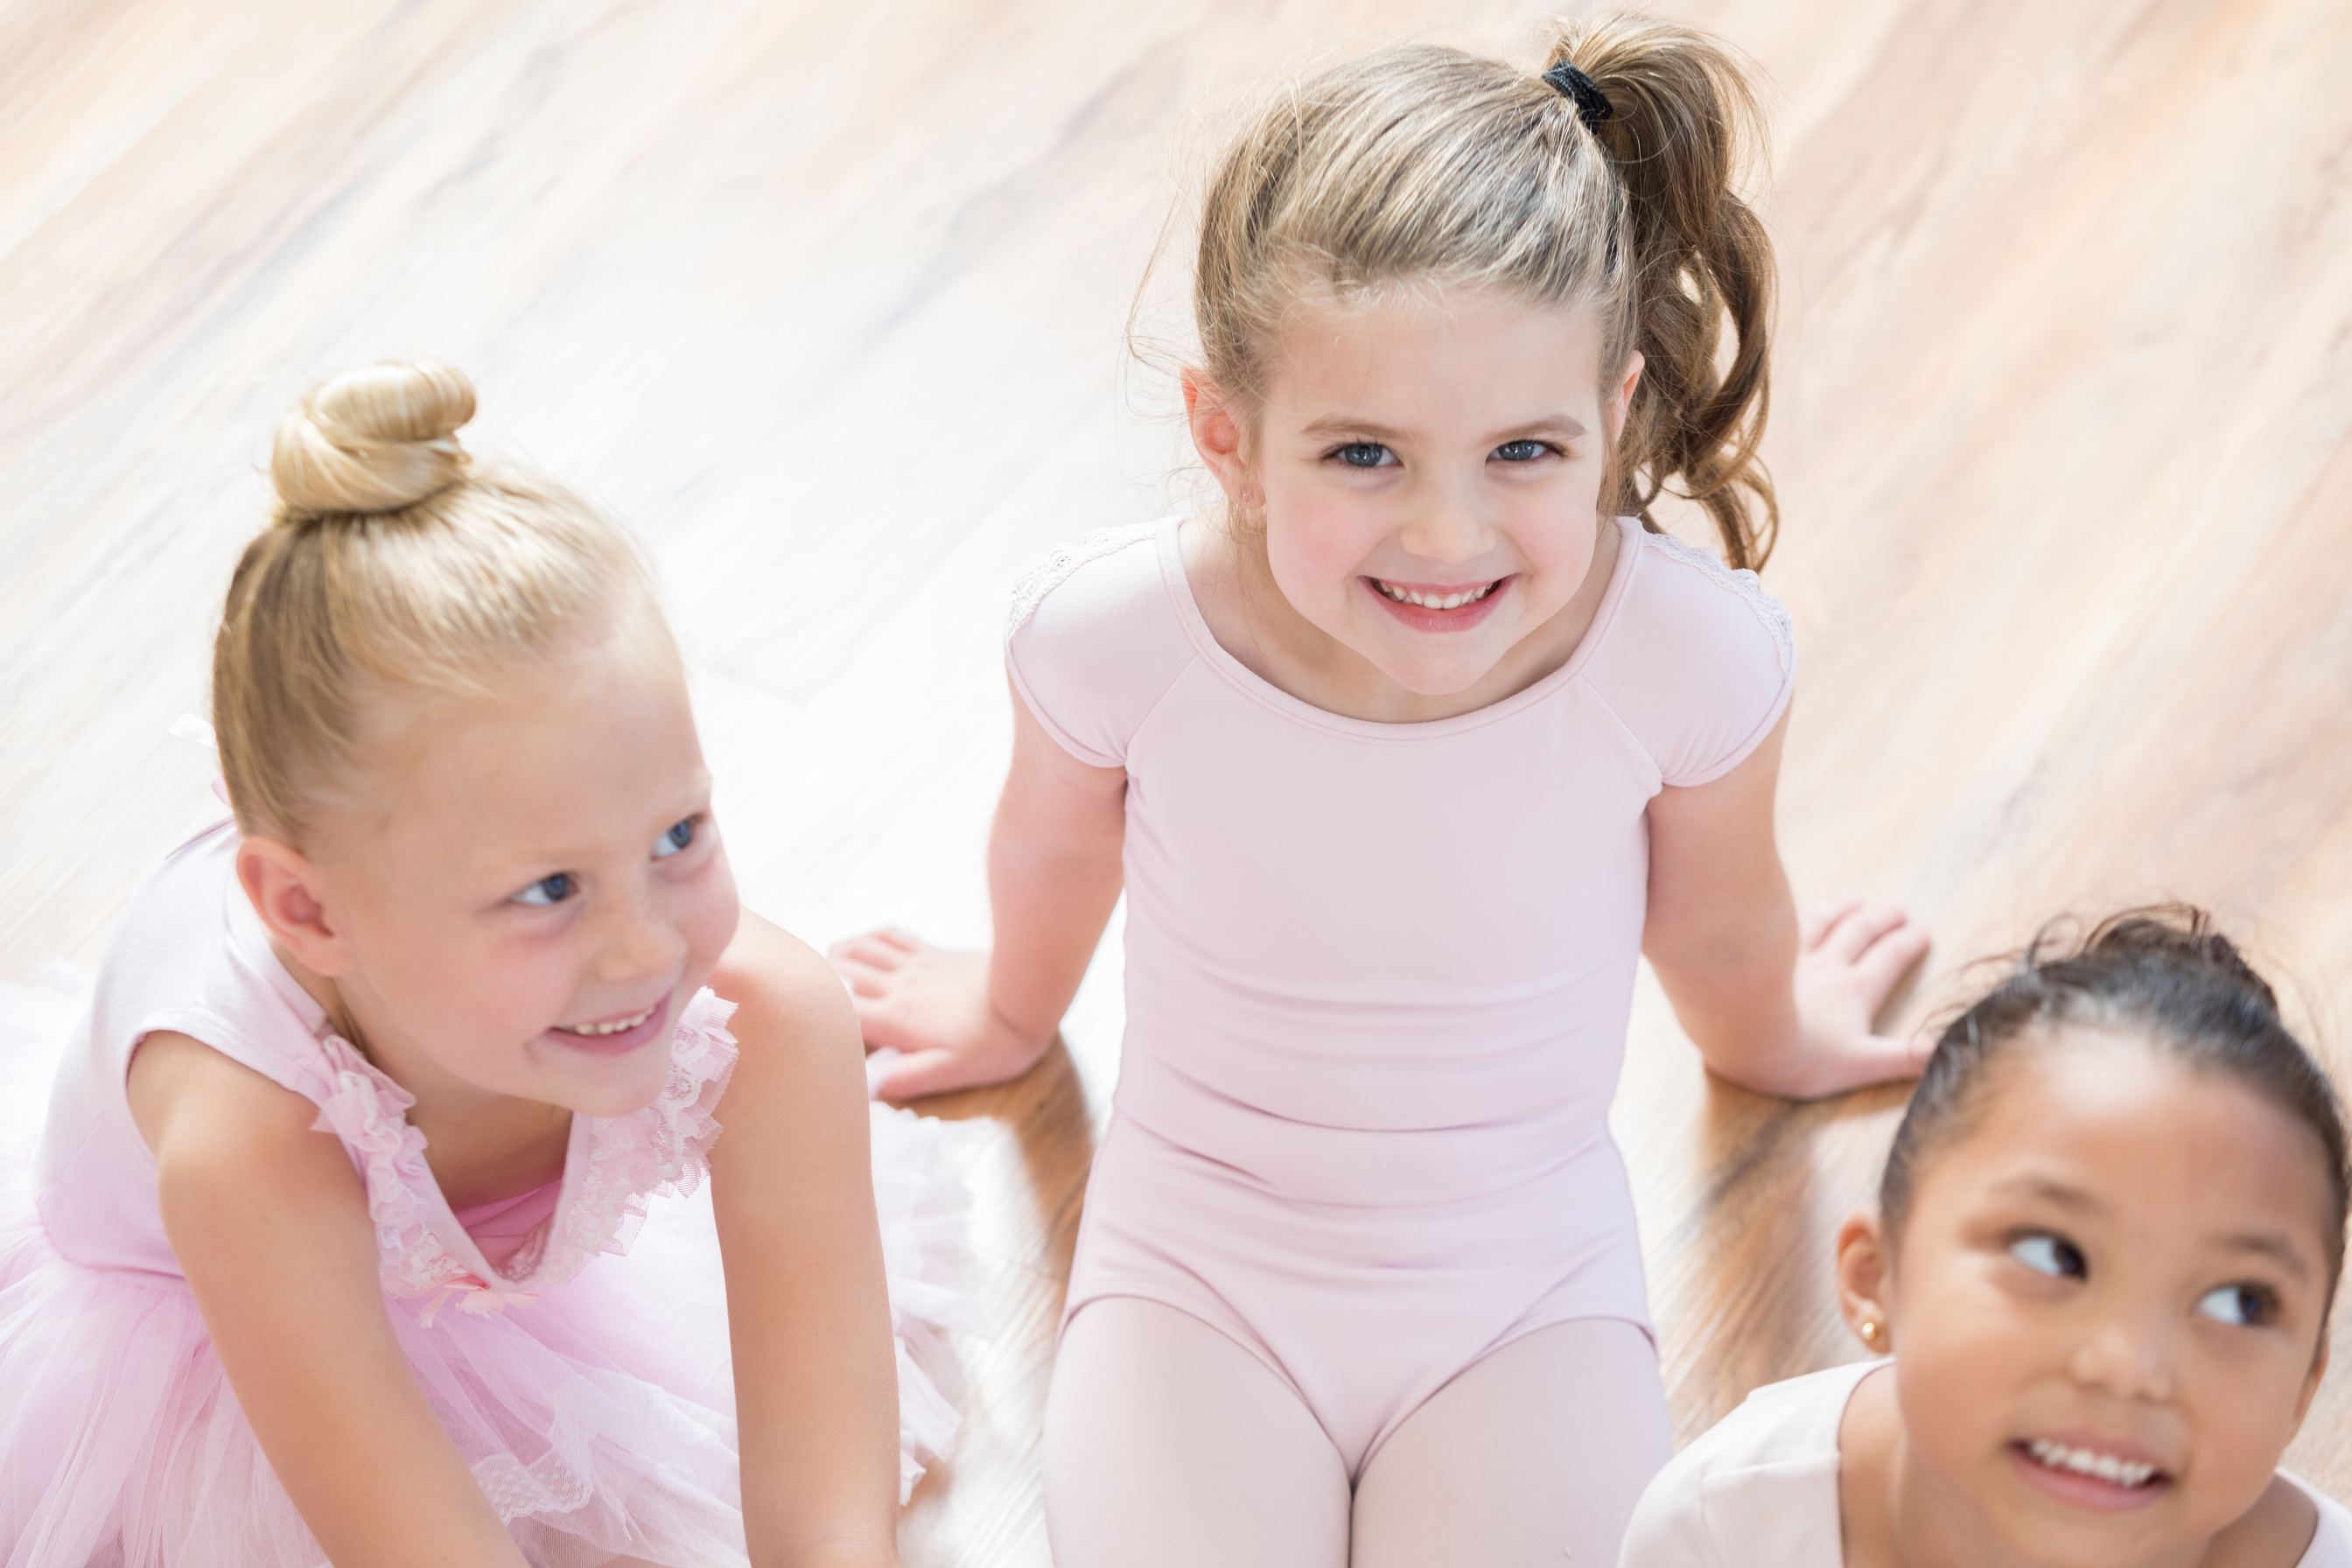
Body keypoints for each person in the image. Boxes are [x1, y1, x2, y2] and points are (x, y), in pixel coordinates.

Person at [830, 16, 1929, 1564]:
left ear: (1613, 416)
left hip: (1525, 1288)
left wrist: (1779, 1034)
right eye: (1362, 454)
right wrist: (1011, 1010)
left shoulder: (1689, 656)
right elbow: (1050, 854)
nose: (1443, 533)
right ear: (1229, 434)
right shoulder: (1113, 636)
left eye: (1522, 450)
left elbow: (1720, 923)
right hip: (1195, 1271)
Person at [0, 363, 969, 1568]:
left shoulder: (761, 1014)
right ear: (307, 910)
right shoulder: (244, 1151)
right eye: (549, 891)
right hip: (220, 1315)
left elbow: (830, 1530)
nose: (647, 948)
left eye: (677, 837)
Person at [1620, 908, 2352, 1567]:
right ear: (1878, 1278)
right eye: (2056, 1257)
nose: (2129, 1365)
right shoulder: (1722, 1534)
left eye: (2240, 1302)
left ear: (2301, 1391)